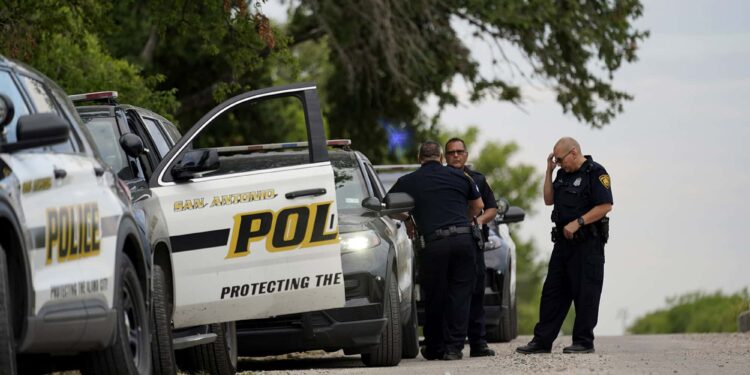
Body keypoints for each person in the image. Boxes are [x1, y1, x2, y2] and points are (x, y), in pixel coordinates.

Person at [388, 140, 483, 361]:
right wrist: (463, 223)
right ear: (441, 157)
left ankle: (435, 347)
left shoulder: (408, 181)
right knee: (460, 295)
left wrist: (409, 219)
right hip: (463, 241)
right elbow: (478, 206)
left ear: (419, 159)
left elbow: (389, 207)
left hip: (434, 244)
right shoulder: (461, 176)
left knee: (435, 295)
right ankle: (454, 349)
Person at [517, 137, 612, 354]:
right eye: (556, 160)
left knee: (586, 293)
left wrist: (579, 222)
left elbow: (606, 205)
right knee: (552, 292)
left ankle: (583, 341)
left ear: (574, 153)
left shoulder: (595, 172)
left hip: (588, 243)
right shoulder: (561, 175)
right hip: (563, 244)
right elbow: (548, 200)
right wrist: (549, 171)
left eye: (560, 159)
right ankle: (542, 341)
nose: (559, 163)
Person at [444, 138, 497, 357]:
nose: (456, 156)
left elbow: (491, 209)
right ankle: (450, 345)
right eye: (451, 153)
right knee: (450, 295)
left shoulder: (477, 179)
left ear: (466, 155)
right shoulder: (441, 179)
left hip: (473, 243)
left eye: (460, 152)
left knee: (476, 293)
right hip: (448, 245)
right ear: (444, 157)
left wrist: (478, 222)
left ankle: (478, 343)